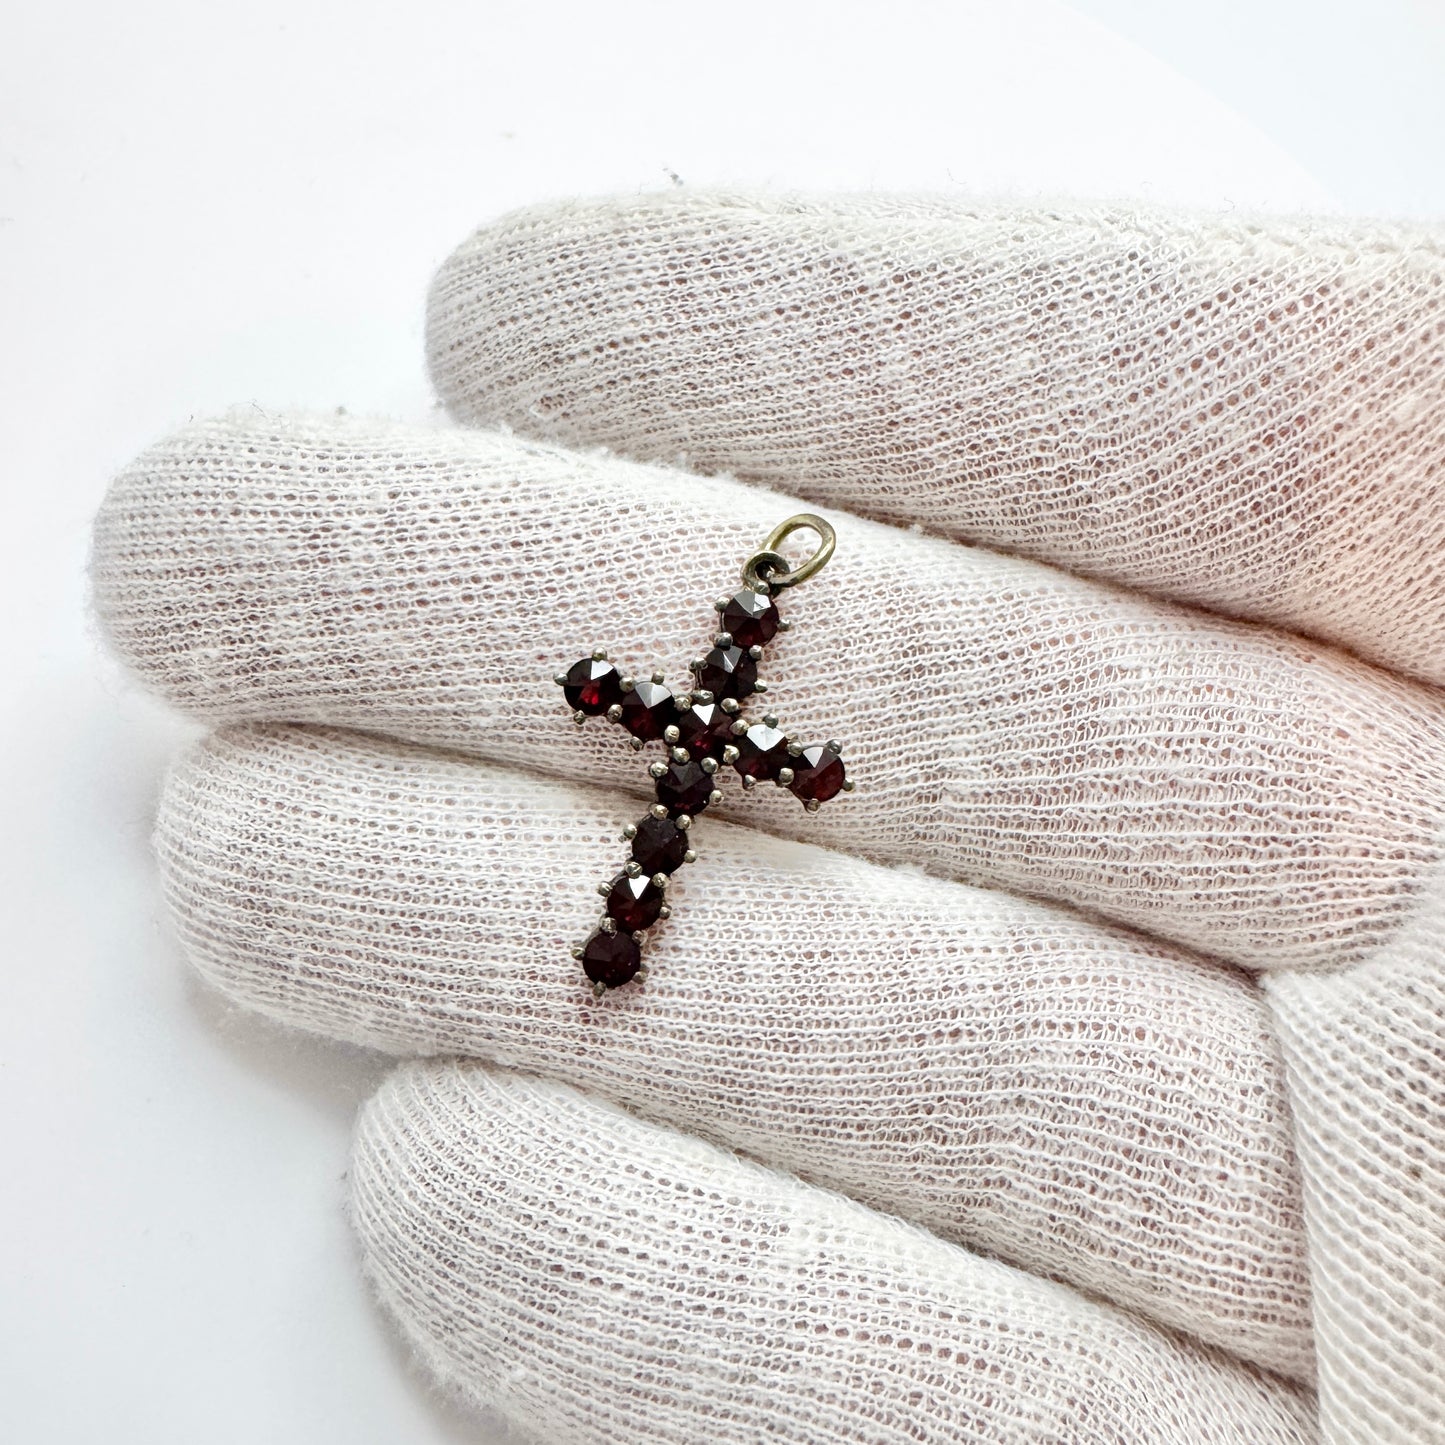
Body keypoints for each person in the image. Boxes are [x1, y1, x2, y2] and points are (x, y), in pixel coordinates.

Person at [90, 190, 1445, 1444]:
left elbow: (754, 751)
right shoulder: (697, 732)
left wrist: (749, 744)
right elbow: (713, 736)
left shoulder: (714, 739)